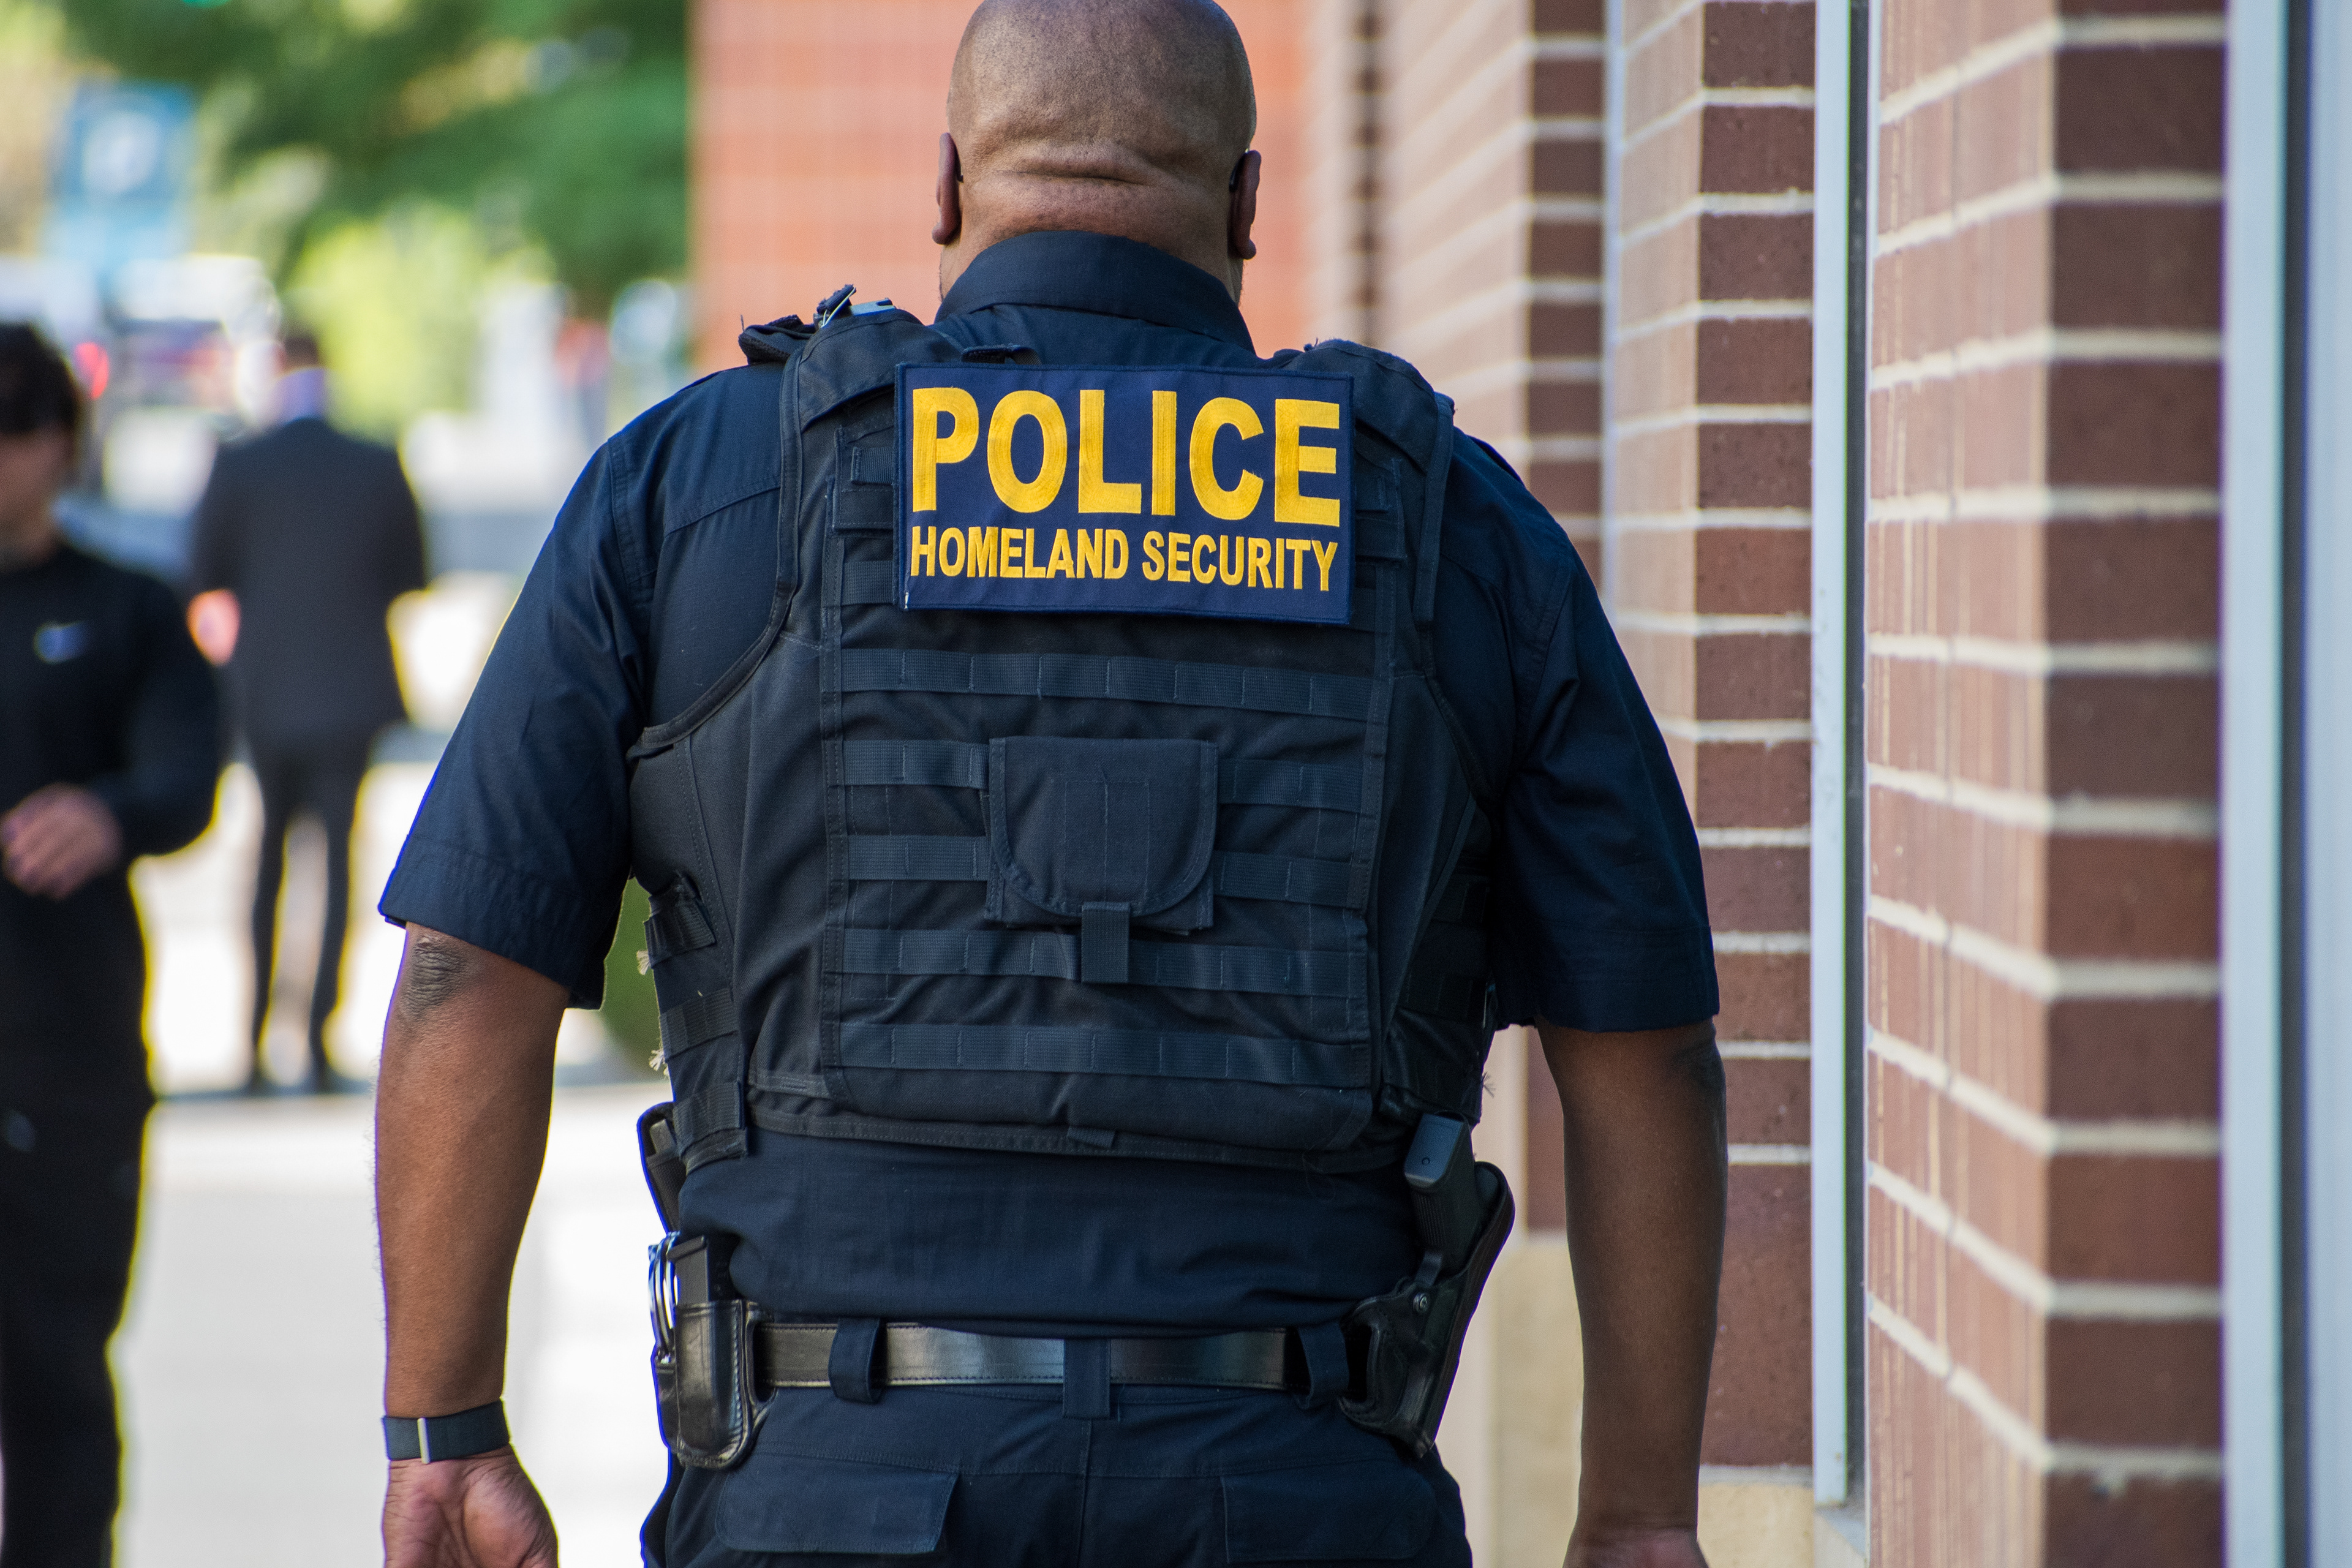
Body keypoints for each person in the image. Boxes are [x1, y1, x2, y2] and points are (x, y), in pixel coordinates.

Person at [374, 2, 1725, 1565]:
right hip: (1294, 1485)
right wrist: (1636, 1512)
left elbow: (468, 971)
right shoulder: (1454, 526)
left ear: (946, 189)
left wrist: (443, 1431)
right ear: (1245, 204)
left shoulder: (704, 484)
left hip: (826, 1486)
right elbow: (1642, 1045)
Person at [0, 323, 219, 1567]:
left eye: (17, 430)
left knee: (57, 1374)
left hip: (66, 1057)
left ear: (62, 448)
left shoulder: (124, 606)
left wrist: (109, 812)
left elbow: (188, 775)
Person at [188, 330, 428, 1094]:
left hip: (267, 687)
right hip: (351, 686)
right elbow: (412, 573)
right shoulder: (375, 459)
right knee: (339, 858)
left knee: (267, 862)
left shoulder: (241, 461)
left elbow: (202, 573)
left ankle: (254, 1041)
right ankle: (319, 1042)